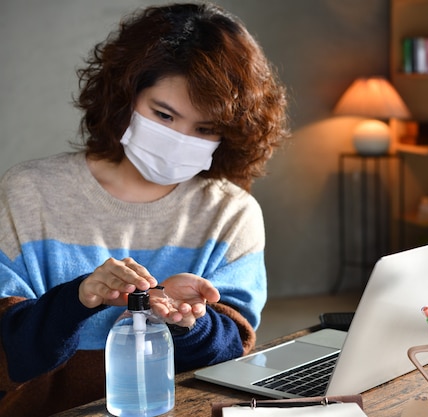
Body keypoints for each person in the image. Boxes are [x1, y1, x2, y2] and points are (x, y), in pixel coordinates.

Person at [0, 3, 288, 416]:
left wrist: (187, 319)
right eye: (164, 115)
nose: (179, 139)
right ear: (124, 95)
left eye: (205, 129)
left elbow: (232, 353)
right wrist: (78, 299)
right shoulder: (29, 192)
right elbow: (6, 355)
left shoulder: (231, 213)